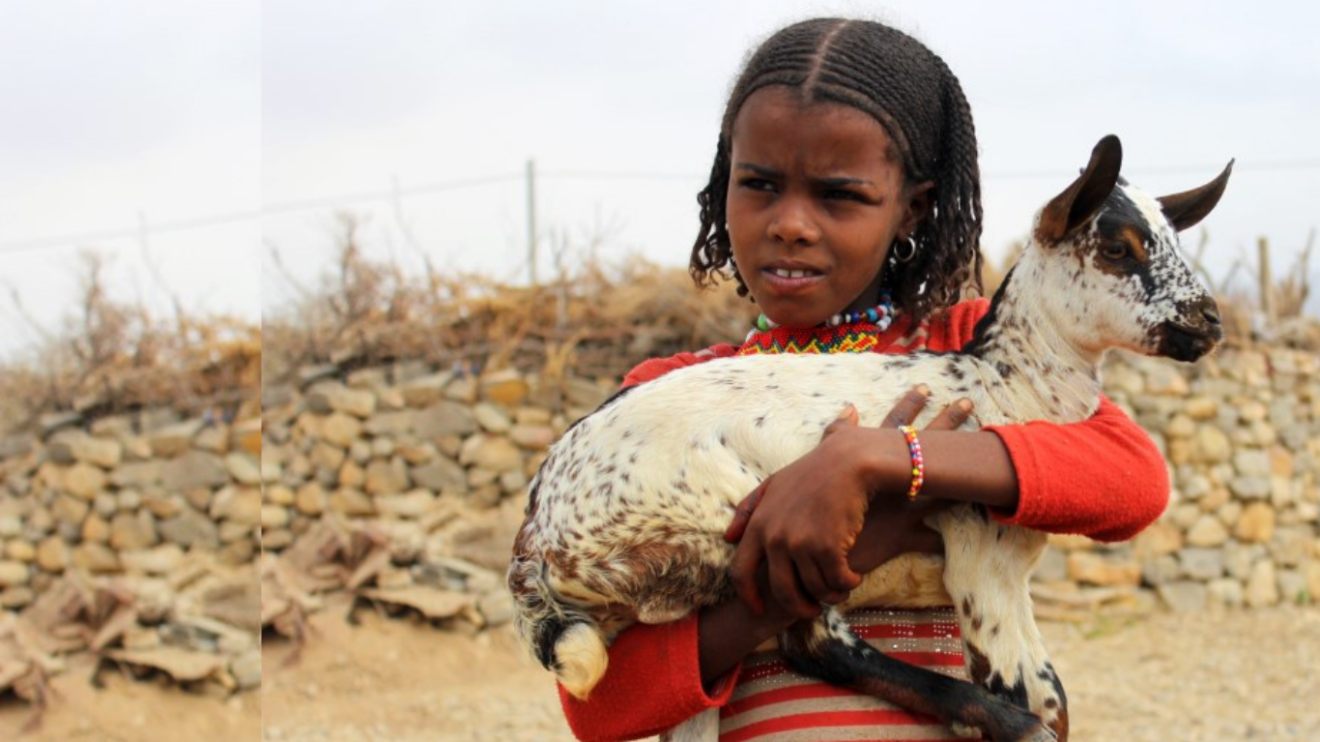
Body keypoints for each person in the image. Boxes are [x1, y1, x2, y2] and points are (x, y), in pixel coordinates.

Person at [557, 17, 1168, 742]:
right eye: (758, 184)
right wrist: (819, 572)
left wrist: (880, 459)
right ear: (724, 187)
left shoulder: (969, 349)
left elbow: (1131, 481)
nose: (790, 224)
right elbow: (598, 705)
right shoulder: (676, 398)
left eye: (839, 195)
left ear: (910, 207)